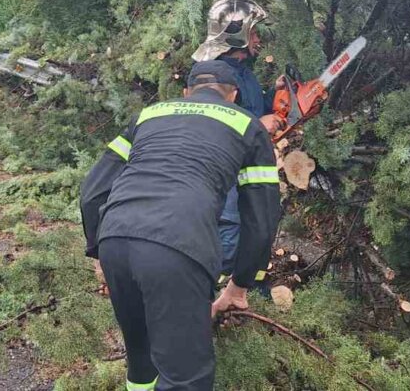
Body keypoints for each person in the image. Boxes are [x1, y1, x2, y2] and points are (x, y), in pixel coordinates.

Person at [81, 60, 282, 391]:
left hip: (115, 238)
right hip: (178, 246)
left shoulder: (148, 115)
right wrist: (239, 285)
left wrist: (98, 251)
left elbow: (92, 191)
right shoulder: (248, 125)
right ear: (232, 96)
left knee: (141, 358)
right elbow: (261, 217)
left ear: (187, 92)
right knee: (187, 378)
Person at [191, 0, 282, 282]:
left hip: (246, 163)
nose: (258, 39)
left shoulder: (244, 73)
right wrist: (258, 124)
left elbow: (253, 109)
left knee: (255, 223)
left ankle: (246, 286)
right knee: (229, 225)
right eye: (253, 33)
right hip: (223, 167)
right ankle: (214, 289)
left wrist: (276, 94)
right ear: (237, 35)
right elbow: (210, 120)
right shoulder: (212, 75)